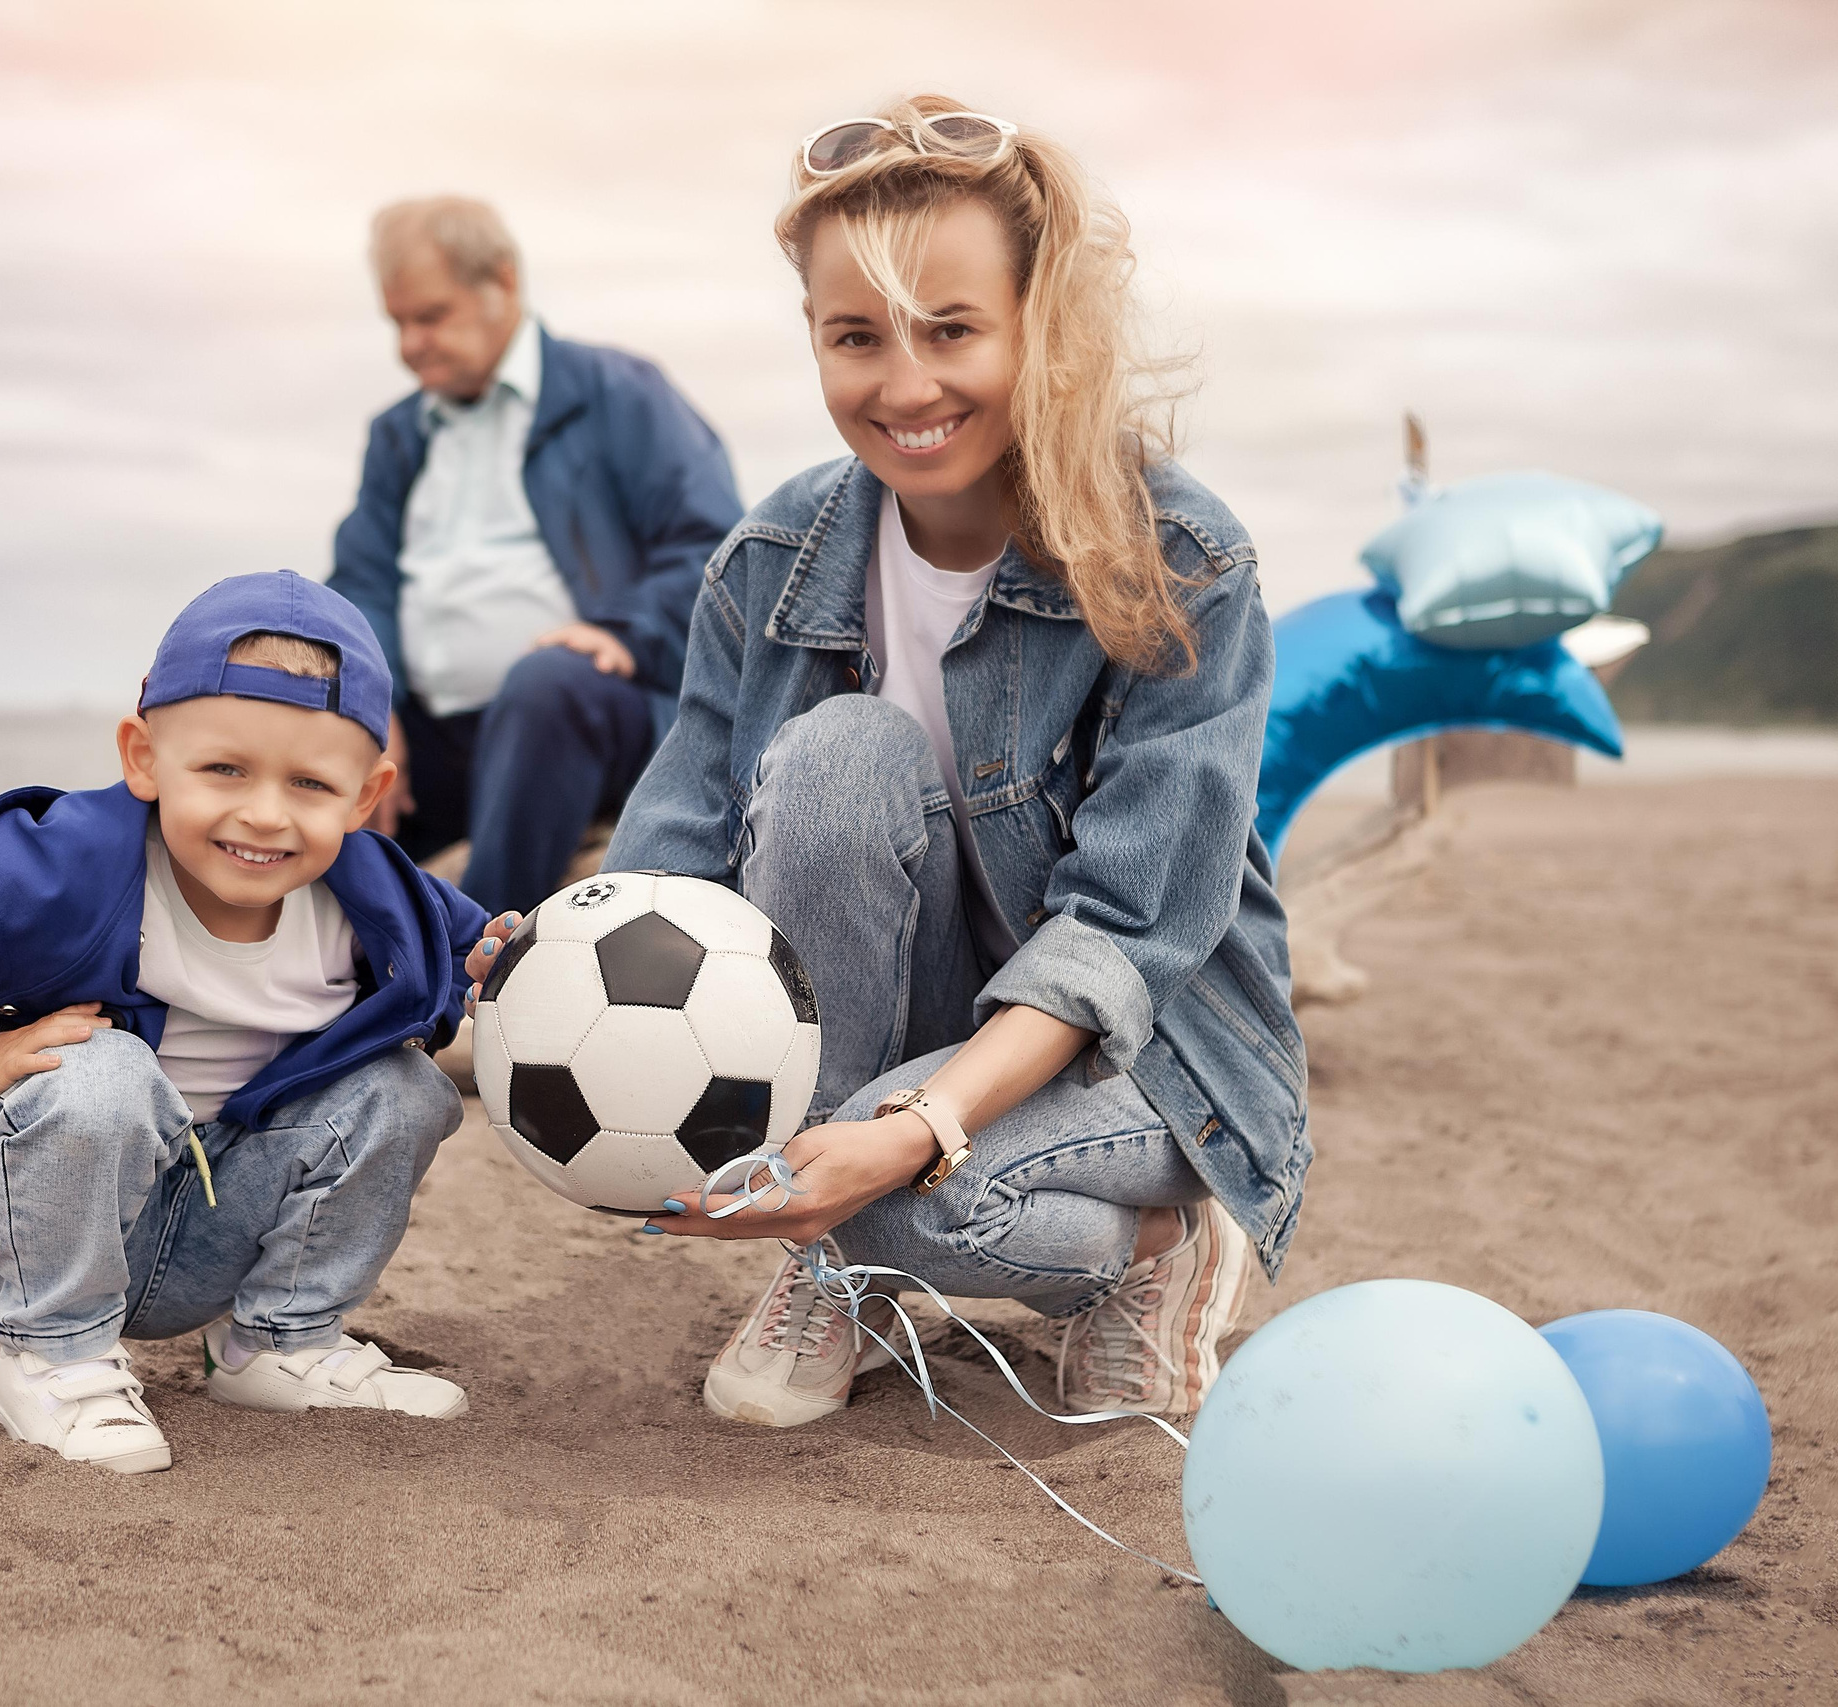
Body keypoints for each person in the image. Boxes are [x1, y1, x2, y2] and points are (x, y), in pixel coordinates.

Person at [464, 98, 1309, 1428]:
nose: (905, 385)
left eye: (953, 329)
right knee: (841, 752)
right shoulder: (772, 559)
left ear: (1037, 325)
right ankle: (841, 1248)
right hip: (892, 1034)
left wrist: (915, 1133)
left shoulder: (1183, 565)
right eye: (856, 336)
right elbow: (679, 836)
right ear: (813, 335)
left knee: (959, 1197)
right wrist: (555, 960)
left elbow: (1130, 932)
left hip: (1143, 1054)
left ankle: (1153, 1250)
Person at [0, 572, 487, 1474]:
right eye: (224, 768)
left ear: (364, 794)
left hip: (220, 1225)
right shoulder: (56, 867)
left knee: (407, 1088)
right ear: (144, 756)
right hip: (51, 1218)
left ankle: (276, 1343)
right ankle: (53, 1358)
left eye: (310, 783)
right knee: (100, 1067)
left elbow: (491, 954)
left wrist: (508, 957)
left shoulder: (386, 899)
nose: (264, 813)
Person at [330, 197, 745, 915]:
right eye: (397, 323)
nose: (410, 344)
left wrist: (622, 630)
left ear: (503, 282)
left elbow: (715, 544)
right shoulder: (396, 437)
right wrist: (374, 699)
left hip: (588, 712)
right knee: (311, 723)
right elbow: (360, 581)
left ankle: (474, 964)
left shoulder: (619, 394)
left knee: (545, 685)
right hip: (442, 738)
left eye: (431, 316)